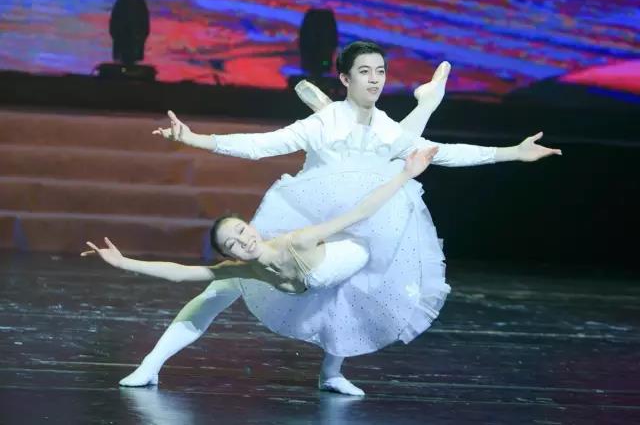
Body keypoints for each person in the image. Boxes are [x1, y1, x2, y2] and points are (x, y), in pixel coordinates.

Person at [114, 41, 562, 396]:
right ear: (346, 78)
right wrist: (195, 139)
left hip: (362, 221)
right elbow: (261, 146)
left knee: (348, 290)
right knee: (223, 285)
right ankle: (151, 364)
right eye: (365, 71)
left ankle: (330, 372)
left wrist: (512, 152)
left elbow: (441, 153)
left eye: (380, 71)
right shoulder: (324, 122)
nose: (375, 79)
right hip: (305, 218)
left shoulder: (386, 128)